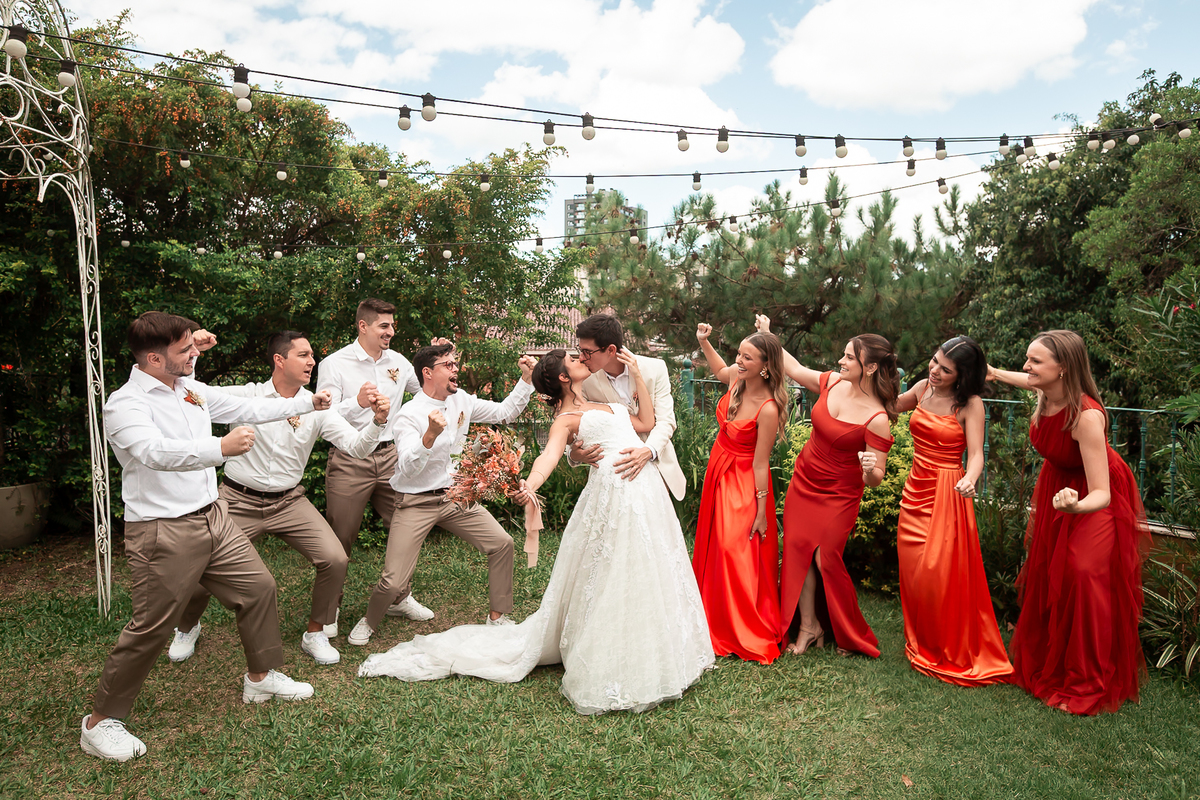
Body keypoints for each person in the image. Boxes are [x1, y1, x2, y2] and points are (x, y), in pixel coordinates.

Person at [359, 349, 714, 715]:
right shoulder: (566, 418)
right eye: (574, 359)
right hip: (613, 493)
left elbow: (646, 421)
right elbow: (550, 455)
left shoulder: (605, 402)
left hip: (645, 491)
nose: (581, 359)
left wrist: (638, 372)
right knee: (613, 570)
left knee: (648, 565)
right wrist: (530, 483)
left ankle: (655, 643)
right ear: (564, 377)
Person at [81, 312, 328, 762]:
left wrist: (308, 404)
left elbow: (249, 408)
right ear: (155, 358)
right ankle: (100, 723)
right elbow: (153, 453)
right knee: (151, 627)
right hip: (163, 529)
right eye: (185, 350)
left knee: (259, 588)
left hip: (214, 517)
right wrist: (220, 449)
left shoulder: (189, 389)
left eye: (193, 347)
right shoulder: (126, 403)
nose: (196, 353)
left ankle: (261, 677)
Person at [165, 331, 391, 667]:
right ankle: (186, 626)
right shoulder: (247, 397)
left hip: (289, 503)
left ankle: (315, 632)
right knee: (204, 565)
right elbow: (193, 398)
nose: (312, 362)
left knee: (335, 559)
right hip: (238, 499)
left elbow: (357, 448)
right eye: (303, 355)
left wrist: (378, 422)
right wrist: (194, 353)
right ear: (279, 360)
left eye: (312, 355)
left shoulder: (318, 406)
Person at [989, 330, 1150, 714]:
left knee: (1083, 574)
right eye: (1026, 360)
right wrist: (995, 373)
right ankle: (1054, 663)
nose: (1026, 367)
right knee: (1051, 570)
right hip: (1058, 488)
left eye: (1035, 361)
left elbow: (1103, 493)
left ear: (1063, 368)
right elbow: (1022, 378)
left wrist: (1075, 508)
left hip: (1094, 495)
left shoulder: (1086, 416)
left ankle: (1088, 682)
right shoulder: (1045, 394)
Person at [346, 344, 536, 646]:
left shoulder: (462, 399)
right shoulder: (408, 415)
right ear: (428, 373)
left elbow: (504, 412)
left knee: (502, 544)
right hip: (415, 502)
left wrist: (526, 379)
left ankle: (498, 616)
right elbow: (407, 469)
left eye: (454, 363)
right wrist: (430, 435)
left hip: (455, 496)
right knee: (393, 580)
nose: (455, 368)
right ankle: (370, 620)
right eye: (448, 364)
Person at [756, 315, 897, 657]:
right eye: (845, 355)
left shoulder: (877, 418)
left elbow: (875, 478)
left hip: (840, 494)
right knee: (798, 549)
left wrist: (869, 469)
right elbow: (793, 367)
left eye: (850, 357)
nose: (841, 361)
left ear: (871, 367)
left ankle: (848, 631)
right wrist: (769, 335)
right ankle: (808, 626)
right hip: (805, 480)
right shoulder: (832, 382)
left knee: (825, 557)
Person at [894, 336, 1013, 685]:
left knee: (939, 575)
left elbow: (976, 454)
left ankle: (945, 644)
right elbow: (887, 405)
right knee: (914, 571)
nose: (934, 370)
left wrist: (971, 479)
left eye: (945, 369)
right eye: (934, 361)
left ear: (962, 375)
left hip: (948, 489)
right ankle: (921, 638)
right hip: (915, 486)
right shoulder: (920, 389)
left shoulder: (970, 404)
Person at [315, 298, 434, 623]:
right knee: (340, 537)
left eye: (392, 326)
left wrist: (436, 363)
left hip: (392, 456)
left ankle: (400, 597)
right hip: (350, 458)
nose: (390, 332)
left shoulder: (399, 362)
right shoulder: (334, 364)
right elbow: (322, 415)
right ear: (363, 326)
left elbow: (424, 394)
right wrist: (357, 403)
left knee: (404, 527)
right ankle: (328, 612)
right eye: (384, 325)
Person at [691, 323, 789, 664]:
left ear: (766, 365)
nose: (739, 361)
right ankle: (711, 617)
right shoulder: (737, 380)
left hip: (744, 482)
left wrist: (763, 512)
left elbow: (761, 465)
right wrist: (704, 342)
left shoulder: (768, 409)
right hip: (718, 472)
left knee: (735, 548)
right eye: (739, 355)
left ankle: (740, 626)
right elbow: (719, 369)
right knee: (715, 545)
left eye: (747, 358)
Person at [570, 314, 686, 500]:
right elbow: (575, 423)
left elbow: (666, 421)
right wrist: (574, 454)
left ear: (610, 350)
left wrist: (648, 451)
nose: (581, 358)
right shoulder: (585, 380)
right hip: (613, 474)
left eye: (587, 352)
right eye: (580, 350)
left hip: (657, 466)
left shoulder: (654, 368)